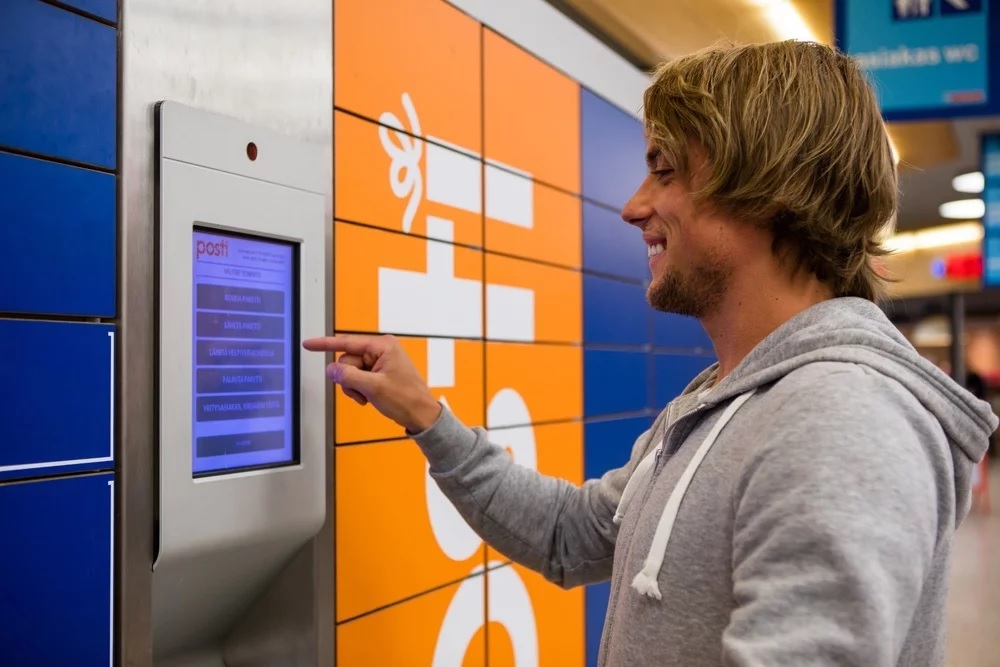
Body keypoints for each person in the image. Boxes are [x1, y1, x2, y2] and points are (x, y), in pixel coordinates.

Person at [304, 40, 998, 666]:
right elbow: (568, 533)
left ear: (767, 191)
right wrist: (426, 414)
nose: (634, 207)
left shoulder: (838, 420)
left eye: (664, 172)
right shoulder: (725, 401)